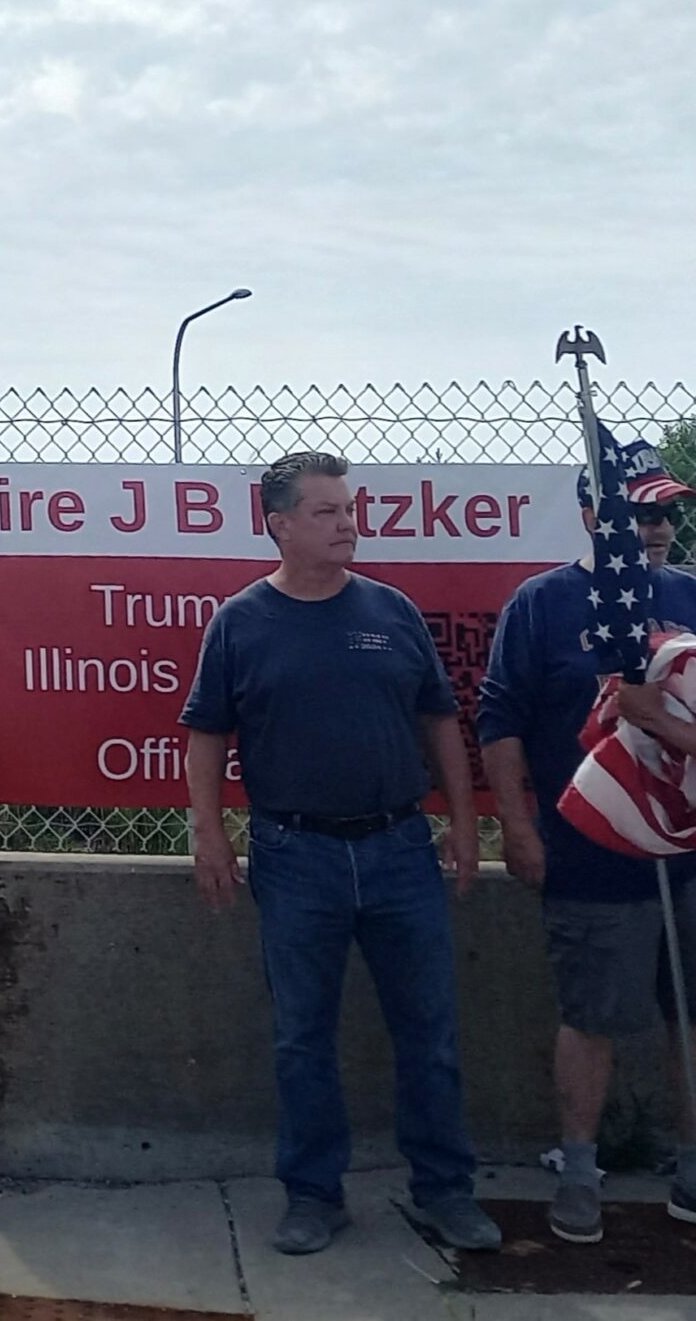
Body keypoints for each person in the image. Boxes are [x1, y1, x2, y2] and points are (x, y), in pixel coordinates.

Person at [182, 450, 500, 1257]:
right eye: (325, 511)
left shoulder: (392, 611)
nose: (347, 522)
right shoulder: (241, 621)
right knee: (302, 1037)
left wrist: (463, 823)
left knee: (429, 1029)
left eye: (349, 508)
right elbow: (208, 733)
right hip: (296, 856)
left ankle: (444, 1191)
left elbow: (439, 722)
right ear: (279, 524)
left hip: (400, 848)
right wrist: (208, 829)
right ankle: (314, 1194)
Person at [479, 440, 696, 1242]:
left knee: (693, 1013)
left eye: (668, 510)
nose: (659, 527)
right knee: (591, 1013)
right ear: (593, 515)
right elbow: (499, 722)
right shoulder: (542, 604)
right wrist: (518, 825)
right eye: (641, 512)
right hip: (590, 846)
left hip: (690, 849)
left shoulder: (692, 596)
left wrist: (657, 718)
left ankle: (692, 1162)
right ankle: (578, 1166)